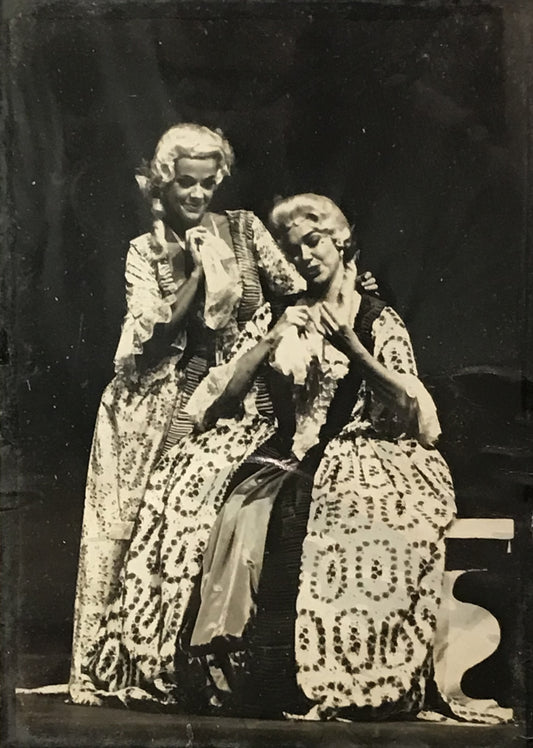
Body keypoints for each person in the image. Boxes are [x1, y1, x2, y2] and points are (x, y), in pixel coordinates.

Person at [82, 193, 454, 721]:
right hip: (281, 445)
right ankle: (233, 672)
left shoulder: (376, 317)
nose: (304, 256)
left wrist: (352, 346)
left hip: (354, 444)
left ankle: (315, 675)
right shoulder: (281, 313)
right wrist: (270, 339)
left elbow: (414, 408)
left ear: (342, 241)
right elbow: (223, 395)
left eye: (314, 242)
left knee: (323, 512)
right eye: (292, 247)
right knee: (218, 503)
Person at [69, 123, 312, 705]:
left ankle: (178, 663)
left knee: (176, 527)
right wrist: (201, 272)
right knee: (122, 536)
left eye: (207, 183)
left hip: (223, 400)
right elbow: (149, 342)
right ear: (163, 183)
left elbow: (296, 288)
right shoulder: (146, 250)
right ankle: (109, 666)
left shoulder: (247, 230)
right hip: (147, 405)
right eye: (185, 184)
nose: (198, 196)